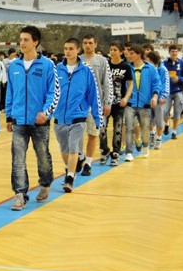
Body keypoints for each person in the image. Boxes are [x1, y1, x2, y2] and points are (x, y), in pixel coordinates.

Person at [5, 26, 59, 210]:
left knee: (42, 156)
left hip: (40, 122)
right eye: (20, 39)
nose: (22, 43)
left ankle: (45, 183)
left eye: (26, 40)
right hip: (19, 120)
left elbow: (54, 92)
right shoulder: (14, 66)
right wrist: (10, 116)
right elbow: (10, 92)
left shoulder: (47, 65)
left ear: (35, 42)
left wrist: (46, 112)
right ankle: (20, 194)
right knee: (18, 159)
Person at [46, 38, 101, 193]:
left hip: (78, 116)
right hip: (59, 118)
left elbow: (93, 95)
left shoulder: (86, 71)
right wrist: (47, 112)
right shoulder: (57, 70)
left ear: (78, 50)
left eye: (71, 48)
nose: (68, 51)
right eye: (65, 48)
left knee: (73, 149)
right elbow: (49, 92)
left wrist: (97, 118)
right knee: (65, 149)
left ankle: (69, 177)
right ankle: (74, 164)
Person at [78, 34, 113, 176]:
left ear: (95, 44)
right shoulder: (77, 60)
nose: (88, 45)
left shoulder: (102, 61)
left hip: (95, 104)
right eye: (85, 43)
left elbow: (107, 83)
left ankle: (88, 162)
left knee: (93, 134)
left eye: (90, 43)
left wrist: (107, 103)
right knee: (76, 134)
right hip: (79, 104)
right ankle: (79, 157)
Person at [123, 45, 161, 162]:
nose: (129, 56)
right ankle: (129, 152)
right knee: (129, 128)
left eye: (132, 53)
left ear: (139, 54)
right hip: (130, 103)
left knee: (145, 128)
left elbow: (156, 84)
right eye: (128, 53)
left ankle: (145, 145)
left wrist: (154, 97)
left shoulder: (150, 68)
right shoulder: (127, 68)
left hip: (145, 105)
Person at [99, 42, 132, 165]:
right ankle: (104, 150)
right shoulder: (105, 65)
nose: (112, 52)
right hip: (105, 103)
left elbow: (130, 84)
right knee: (102, 128)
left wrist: (126, 98)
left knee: (117, 128)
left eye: (115, 49)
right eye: (111, 49)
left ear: (120, 52)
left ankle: (116, 152)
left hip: (119, 103)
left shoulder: (125, 66)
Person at [163, 45, 183, 139]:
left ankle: (174, 131)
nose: (174, 53)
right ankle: (166, 124)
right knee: (164, 112)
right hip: (167, 91)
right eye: (172, 51)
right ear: (169, 52)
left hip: (178, 91)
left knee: (177, 112)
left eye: (176, 51)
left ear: (178, 52)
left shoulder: (182, 63)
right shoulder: (164, 63)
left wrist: (179, 79)